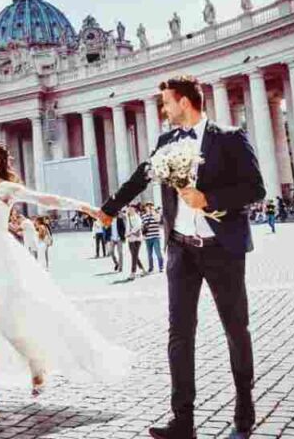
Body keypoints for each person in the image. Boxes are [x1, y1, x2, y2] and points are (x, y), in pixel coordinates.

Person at [94, 76, 264, 439]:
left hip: (222, 248)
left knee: (236, 329)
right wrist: (109, 209)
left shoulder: (230, 138)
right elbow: (141, 178)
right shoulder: (165, 141)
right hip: (182, 248)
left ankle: (244, 408)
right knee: (179, 335)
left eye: (166, 103)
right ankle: (182, 421)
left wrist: (209, 200)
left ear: (185, 102)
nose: (163, 109)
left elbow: (255, 187)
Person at [0, 139, 131, 431]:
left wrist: (85, 207)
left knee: (12, 328)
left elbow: (46, 199)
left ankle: (36, 363)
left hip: (3, 259)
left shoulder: (6, 188)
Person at [126, 206, 148, 277]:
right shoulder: (127, 217)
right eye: (129, 209)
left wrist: (130, 232)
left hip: (137, 239)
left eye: (131, 209)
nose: (130, 210)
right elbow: (127, 227)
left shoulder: (137, 217)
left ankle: (133, 272)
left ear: (134, 210)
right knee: (134, 255)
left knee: (134, 255)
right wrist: (126, 233)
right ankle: (143, 270)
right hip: (130, 239)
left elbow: (138, 226)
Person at [142, 203, 163, 275]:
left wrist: (153, 213)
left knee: (158, 253)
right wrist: (143, 235)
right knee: (149, 254)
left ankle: (161, 267)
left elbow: (158, 220)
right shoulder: (144, 216)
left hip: (155, 237)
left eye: (150, 206)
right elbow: (143, 226)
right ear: (145, 208)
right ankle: (151, 268)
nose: (149, 207)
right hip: (147, 238)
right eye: (147, 206)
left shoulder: (156, 214)